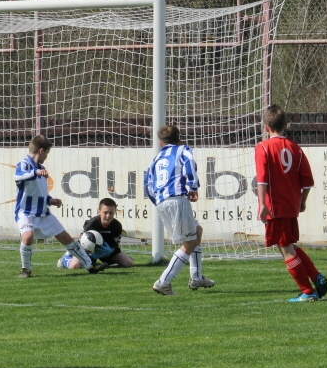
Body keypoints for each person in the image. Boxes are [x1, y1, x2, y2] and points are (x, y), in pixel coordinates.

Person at [255, 105, 327, 302]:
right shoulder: (295, 148)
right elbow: (308, 182)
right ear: (285, 125)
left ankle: (307, 291)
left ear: (266, 127)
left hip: (275, 207)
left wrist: (262, 204)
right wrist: (302, 202)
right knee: (289, 245)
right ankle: (316, 277)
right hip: (290, 205)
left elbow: (262, 180)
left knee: (285, 248)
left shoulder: (263, 147)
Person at [145, 125, 214, 295]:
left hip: (161, 201)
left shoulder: (156, 159)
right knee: (189, 243)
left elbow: (148, 184)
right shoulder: (183, 149)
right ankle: (163, 282)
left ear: (161, 143)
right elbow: (189, 164)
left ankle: (197, 277)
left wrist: (159, 202)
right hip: (177, 199)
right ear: (179, 140)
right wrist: (193, 187)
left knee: (196, 231)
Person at [14, 134, 93, 277]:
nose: (47, 156)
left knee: (66, 238)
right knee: (28, 236)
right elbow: (18, 176)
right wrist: (36, 172)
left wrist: (50, 200)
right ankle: (26, 269)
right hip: (25, 212)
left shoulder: (42, 168)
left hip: (43, 213)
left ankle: (90, 265)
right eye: (47, 153)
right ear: (41, 151)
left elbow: (41, 193)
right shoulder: (24, 164)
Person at [57, 198, 135, 271]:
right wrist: (91, 252)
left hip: (107, 251)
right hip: (89, 251)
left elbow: (116, 244)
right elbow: (82, 242)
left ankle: (119, 259)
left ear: (115, 212)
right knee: (74, 266)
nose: (108, 216)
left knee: (128, 263)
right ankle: (65, 260)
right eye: (105, 212)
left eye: (111, 213)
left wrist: (109, 249)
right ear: (99, 211)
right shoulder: (91, 224)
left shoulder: (117, 225)